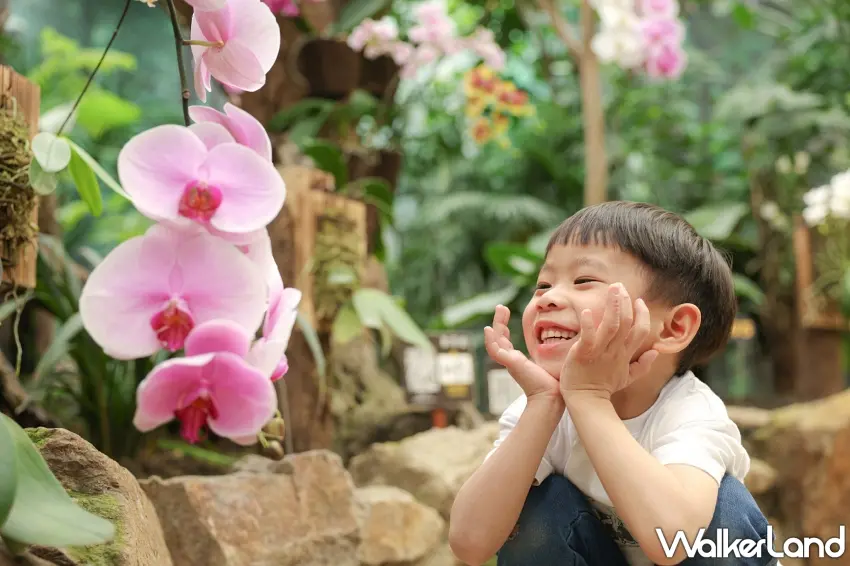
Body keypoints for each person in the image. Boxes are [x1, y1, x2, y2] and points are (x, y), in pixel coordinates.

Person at [448, 201, 777, 566]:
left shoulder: (692, 414)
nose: (549, 298)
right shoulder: (541, 410)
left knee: (725, 511)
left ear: (673, 328)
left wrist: (590, 399)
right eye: (542, 284)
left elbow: (675, 540)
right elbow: (469, 543)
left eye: (584, 280)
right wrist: (543, 403)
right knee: (535, 507)